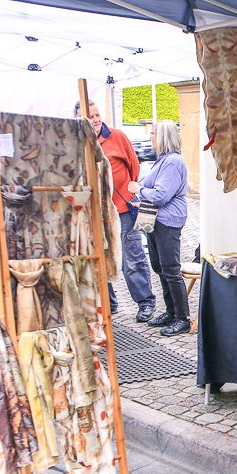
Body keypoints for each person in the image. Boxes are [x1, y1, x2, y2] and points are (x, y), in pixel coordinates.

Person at [75, 101, 156, 322]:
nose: (96, 119)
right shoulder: (78, 143)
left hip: (122, 209)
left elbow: (134, 166)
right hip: (96, 213)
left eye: (97, 114)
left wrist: (127, 191)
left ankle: (145, 302)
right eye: (90, 116)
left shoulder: (117, 137)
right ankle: (109, 302)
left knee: (133, 257)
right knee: (101, 256)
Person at [128, 121, 189, 336]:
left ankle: (182, 318)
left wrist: (139, 189)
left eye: (153, 134)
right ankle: (171, 312)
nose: (150, 138)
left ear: (163, 137)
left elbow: (161, 196)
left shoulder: (172, 162)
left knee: (170, 270)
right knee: (159, 267)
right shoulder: (162, 161)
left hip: (168, 221)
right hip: (156, 220)